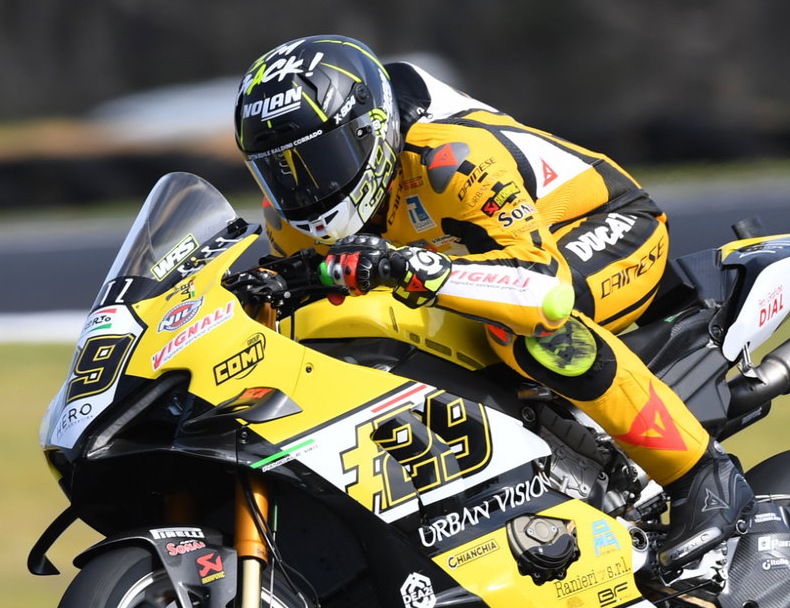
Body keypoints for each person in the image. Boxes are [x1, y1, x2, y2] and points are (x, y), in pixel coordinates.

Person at [234, 34, 752, 570]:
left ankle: (701, 475)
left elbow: (541, 287)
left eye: (320, 160)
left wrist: (408, 266)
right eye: (282, 172)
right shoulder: (286, 220)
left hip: (598, 228)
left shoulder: (447, 159)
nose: (304, 188)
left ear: (370, 131)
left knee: (521, 328)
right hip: (474, 263)